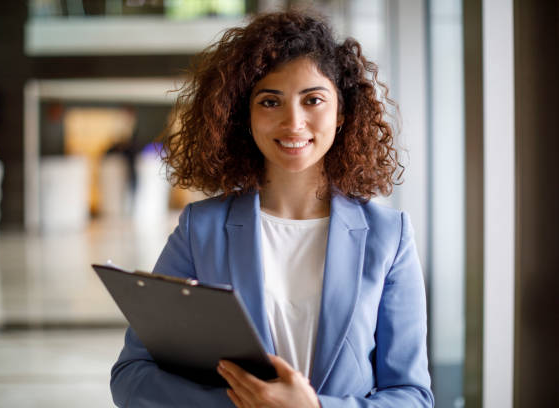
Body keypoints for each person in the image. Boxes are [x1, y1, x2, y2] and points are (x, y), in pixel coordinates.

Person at [111, 10, 434, 408]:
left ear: (342, 112)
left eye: (313, 99)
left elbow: (413, 396)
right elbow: (131, 376)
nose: (293, 122)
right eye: (270, 101)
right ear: (244, 117)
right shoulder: (202, 229)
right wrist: (247, 404)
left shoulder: (389, 236)